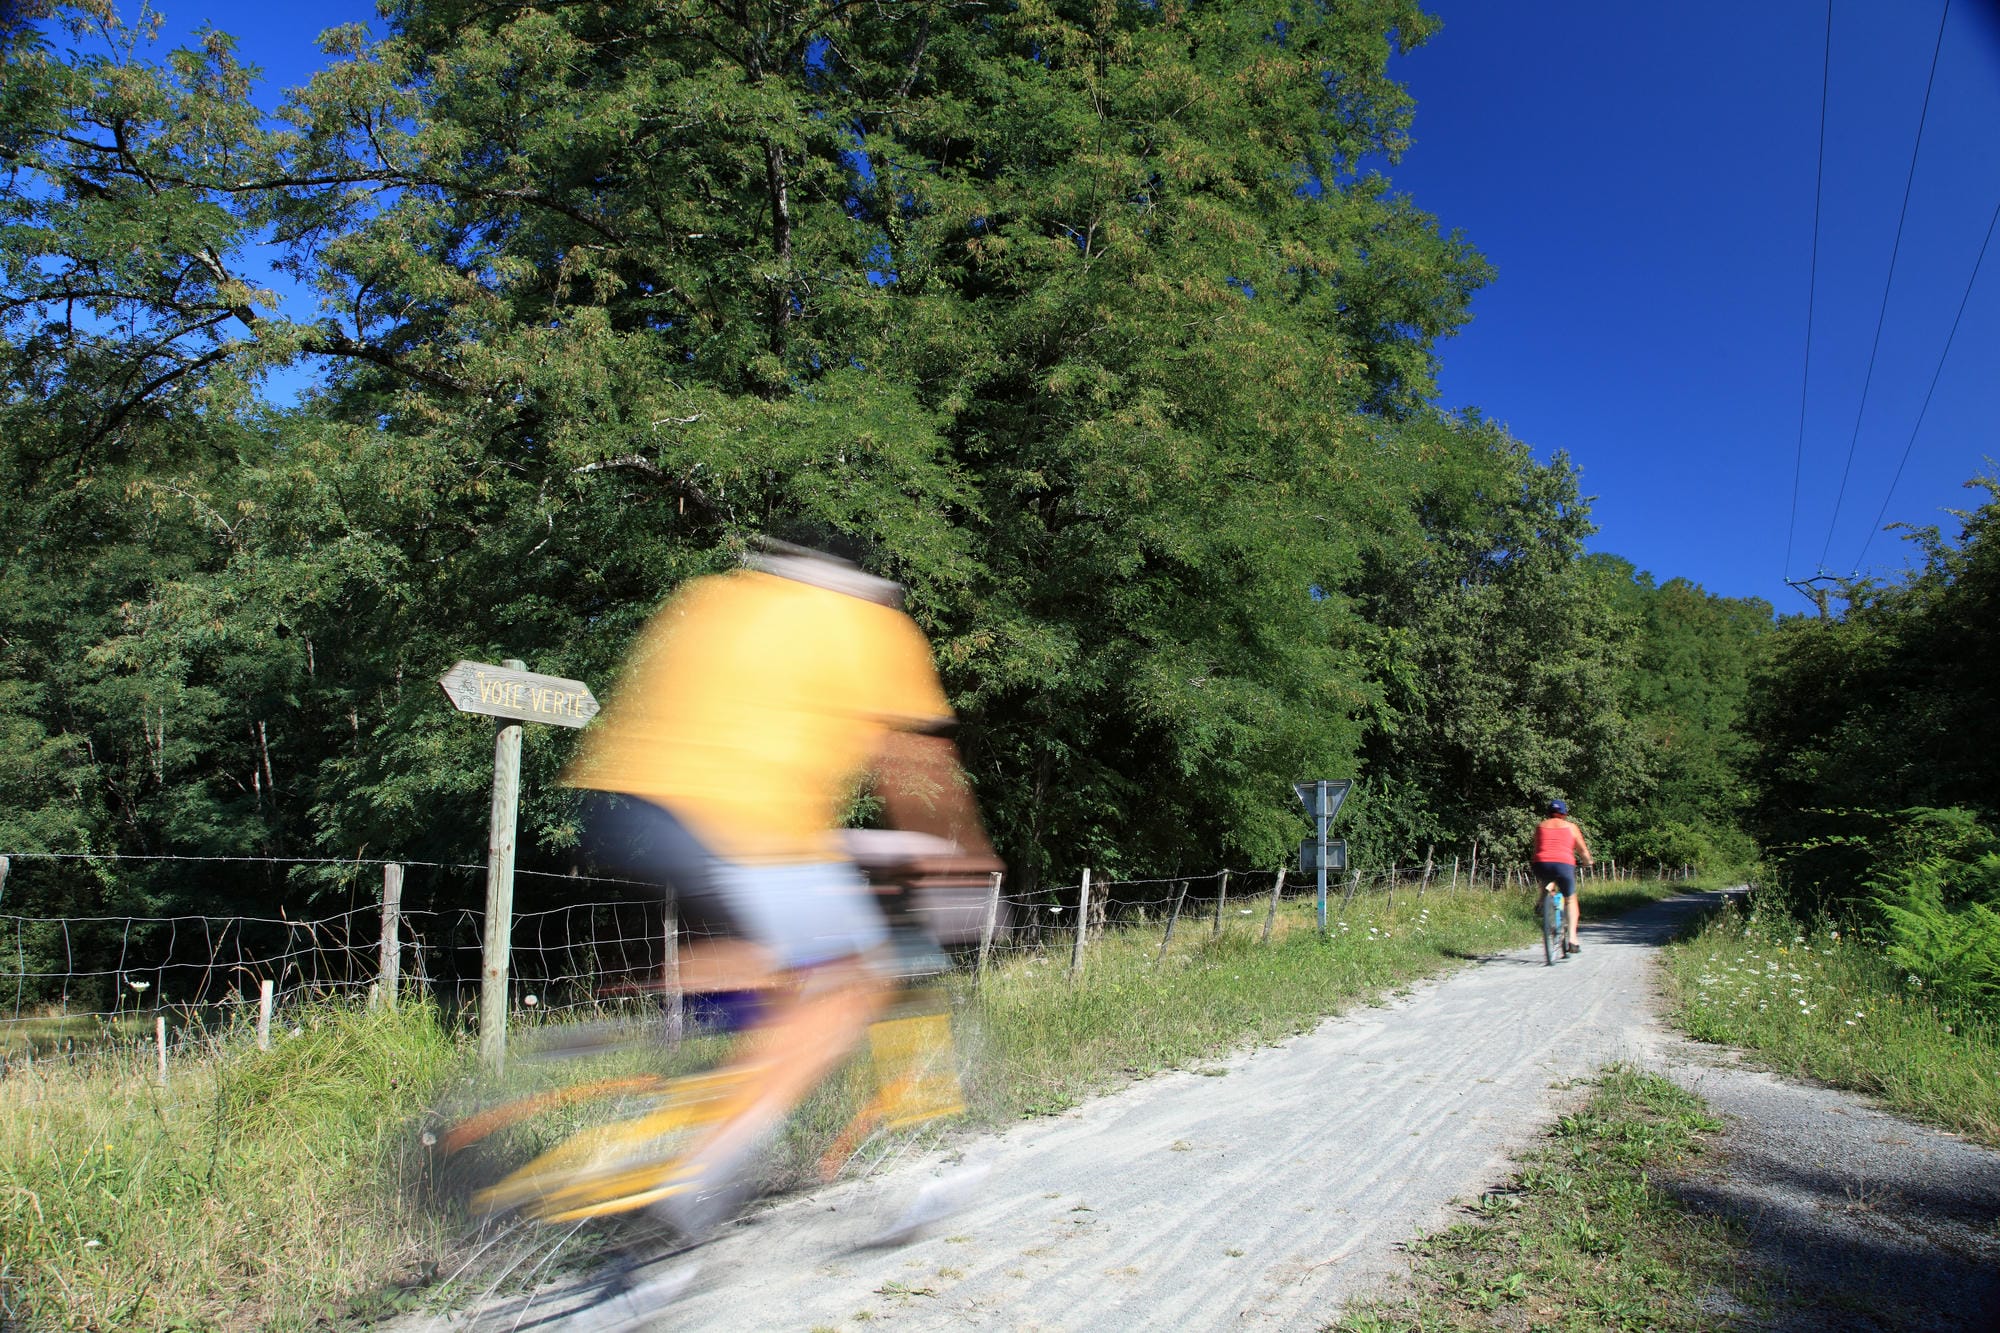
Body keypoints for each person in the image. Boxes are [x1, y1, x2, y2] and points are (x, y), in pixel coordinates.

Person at [563, 535, 999, 1240]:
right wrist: (964, 863)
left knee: (773, 974)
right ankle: (701, 1173)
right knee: (847, 985)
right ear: (860, 577)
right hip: (755, 826)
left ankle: (615, 1038)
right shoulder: (869, 622)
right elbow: (914, 765)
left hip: (630, 808)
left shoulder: (714, 597)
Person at [1530, 799, 1593, 954]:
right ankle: (1572, 939)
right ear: (1564, 813)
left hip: (1541, 863)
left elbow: (1537, 847)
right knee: (1570, 899)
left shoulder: (1540, 826)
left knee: (1546, 881)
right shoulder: (1571, 827)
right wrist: (1588, 862)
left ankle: (1542, 901)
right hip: (1563, 865)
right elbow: (1582, 850)